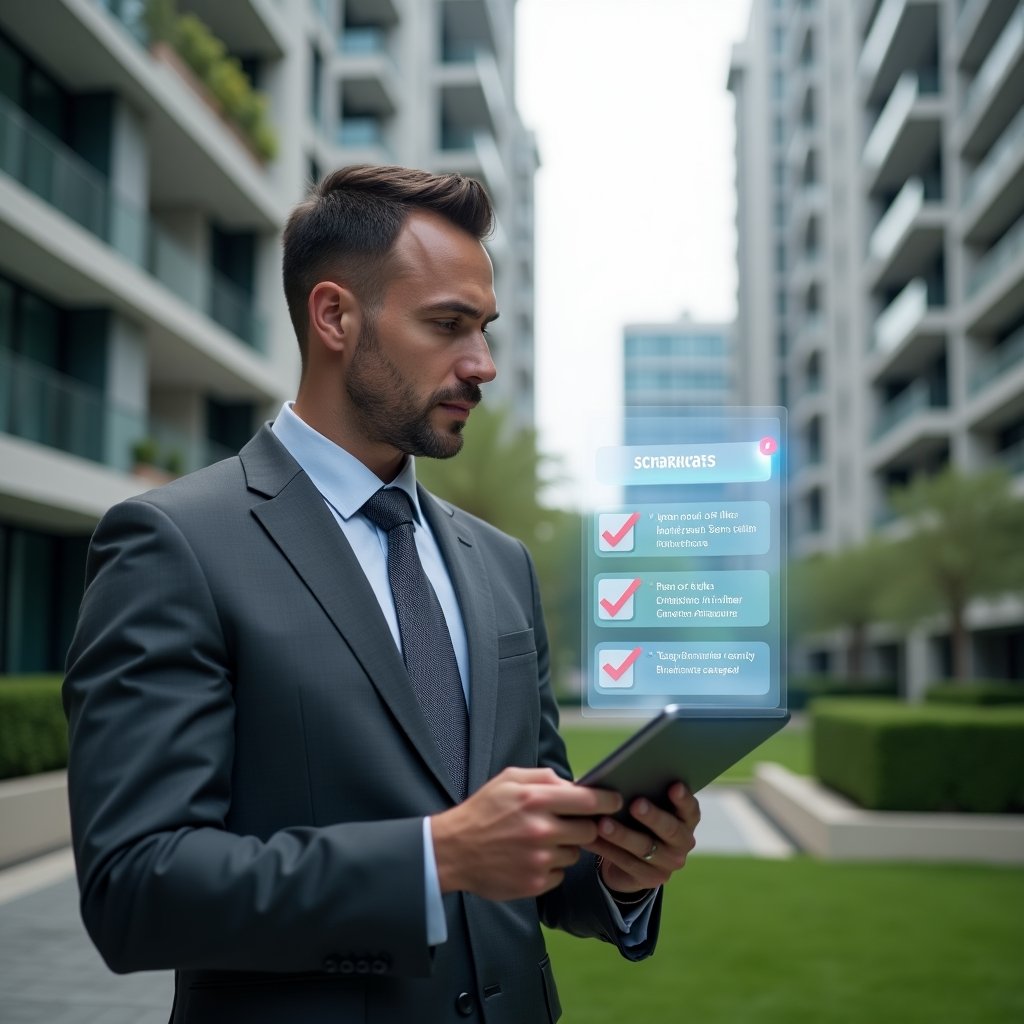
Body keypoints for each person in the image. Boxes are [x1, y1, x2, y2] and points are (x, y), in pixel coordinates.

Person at [63, 164, 700, 1024]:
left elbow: (528, 859)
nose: (483, 365)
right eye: (448, 324)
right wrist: (434, 858)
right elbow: (136, 891)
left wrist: (620, 873)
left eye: (485, 329)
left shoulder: (500, 562)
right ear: (335, 316)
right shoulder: (173, 544)